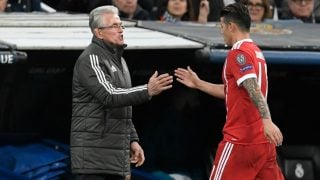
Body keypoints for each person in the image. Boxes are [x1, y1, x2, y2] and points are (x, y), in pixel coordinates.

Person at [174, 1, 284, 179]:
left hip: (241, 140)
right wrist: (199, 83)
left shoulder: (238, 53)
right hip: (263, 143)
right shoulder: (256, 51)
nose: (221, 31)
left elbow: (252, 88)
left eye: (222, 26)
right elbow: (232, 91)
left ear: (231, 26)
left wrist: (266, 120)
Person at [70, 5, 173, 180]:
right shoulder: (91, 58)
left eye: (121, 25)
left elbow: (122, 104)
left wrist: (132, 140)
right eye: (114, 26)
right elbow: (110, 96)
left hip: (114, 158)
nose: (120, 30)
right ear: (99, 32)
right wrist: (147, 90)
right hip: (94, 160)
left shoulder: (120, 61)